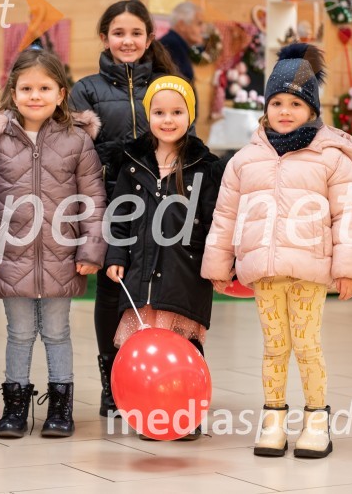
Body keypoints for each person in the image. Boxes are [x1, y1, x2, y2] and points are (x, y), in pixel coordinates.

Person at [202, 44, 352, 459]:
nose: (285, 110)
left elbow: (348, 215)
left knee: (307, 344)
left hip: (311, 269)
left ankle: (316, 418)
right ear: (266, 107)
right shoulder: (245, 160)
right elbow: (225, 216)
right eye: (277, 102)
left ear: (311, 108)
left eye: (295, 102)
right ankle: (273, 417)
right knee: (275, 345)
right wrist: (220, 264)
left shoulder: (332, 158)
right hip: (265, 270)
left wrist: (348, 268)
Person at [0, 49, 107, 439]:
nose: (34, 95)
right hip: (10, 255)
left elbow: (93, 201)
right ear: (13, 91)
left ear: (61, 93)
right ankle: (15, 406)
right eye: (26, 88)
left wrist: (91, 250)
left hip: (62, 256)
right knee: (19, 333)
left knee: (57, 332)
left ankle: (60, 406)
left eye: (44, 88)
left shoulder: (77, 141)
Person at [70, 0, 178, 418]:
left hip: (162, 201)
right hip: (110, 200)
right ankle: (111, 380)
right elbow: (79, 150)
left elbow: (181, 136)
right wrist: (123, 157)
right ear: (104, 38)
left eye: (136, 33)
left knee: (159, 287)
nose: (127, 40)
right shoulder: (87, 89)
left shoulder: (170, 83)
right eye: (119, 33)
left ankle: (156, 375)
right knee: (112, 288)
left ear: (149, 38)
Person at [104, 76, 224, 440]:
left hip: (185, 271)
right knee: (145, 338)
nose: (167, 120)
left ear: (190, 115)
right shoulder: (132, 164)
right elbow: (120, 216)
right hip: (141, 268)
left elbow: (216, 221)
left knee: (185, 345)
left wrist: (217, 263)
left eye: (176, 112)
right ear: (148, 116)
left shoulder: (205, 165)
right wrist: (116, 254)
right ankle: (148, 409)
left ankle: (186, 412)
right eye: (159, 112)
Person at [159, 1, 204, 88]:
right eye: (199, 24)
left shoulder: (176, 45)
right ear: (182, 25)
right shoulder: (171, 46)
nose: (202, 30)